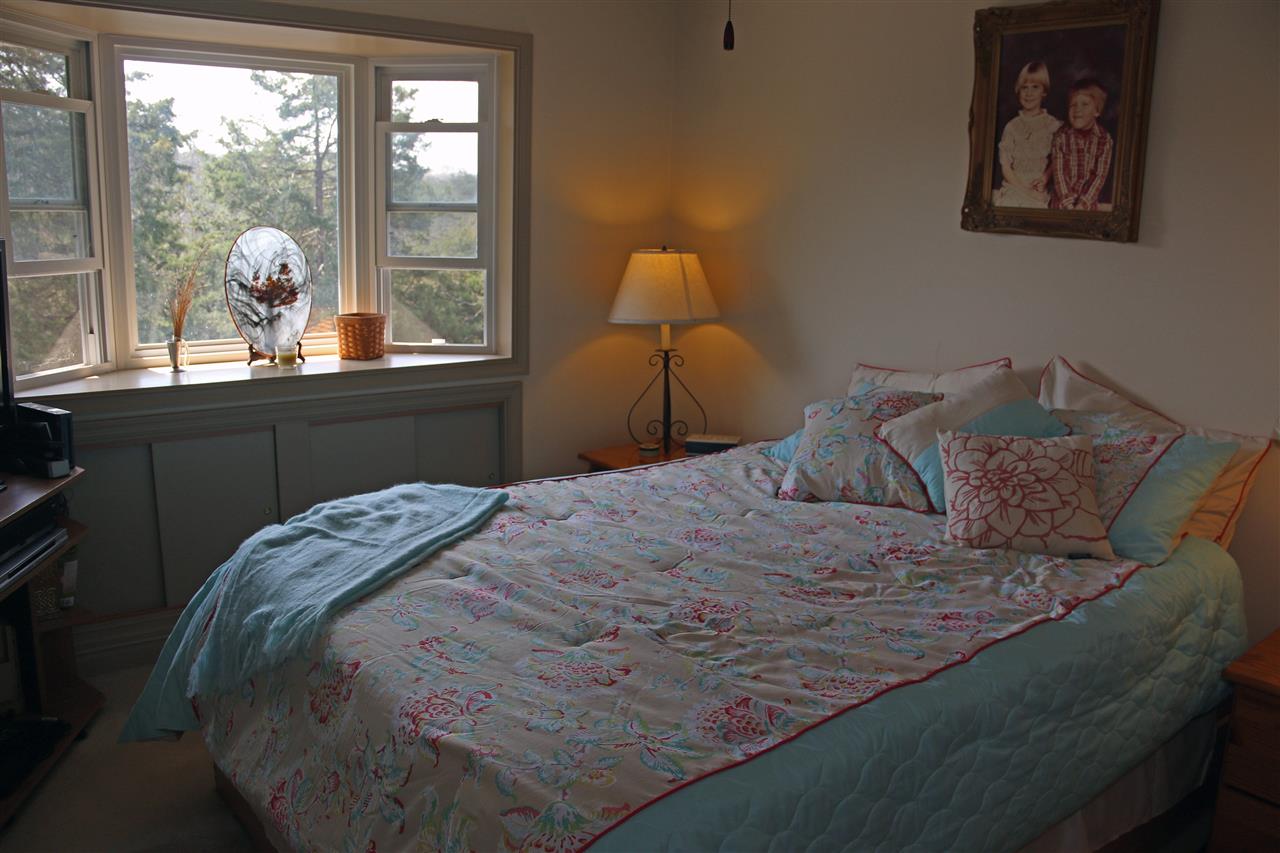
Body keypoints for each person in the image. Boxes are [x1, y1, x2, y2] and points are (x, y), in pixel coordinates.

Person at [992, 62, 1061, 208]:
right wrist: (1026, 191)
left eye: (1035, 87)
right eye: (1024, 87)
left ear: (1044, 91)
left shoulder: (1053, 125)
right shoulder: (1012, 127)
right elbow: (1006, 168)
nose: (1029, 93)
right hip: (1014, 186)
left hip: (1039, 188)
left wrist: (1044, 178)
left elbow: (1057, 158)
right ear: (1018, 91)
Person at [1050, 78, 1114, 210]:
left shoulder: (1104, 139)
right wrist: (1068, 204)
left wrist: (1082, 205)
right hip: (1062, 203)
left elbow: (1099, 177)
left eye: (1084, 104)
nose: (1077, 109)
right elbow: (1059, 174)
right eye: (1073, 105)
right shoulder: (1061, 136)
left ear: (1097, 111)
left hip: (1087, 204)